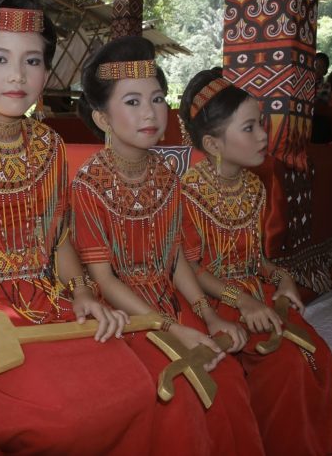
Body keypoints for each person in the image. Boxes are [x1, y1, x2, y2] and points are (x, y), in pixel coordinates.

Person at [0, 0, 156, 454]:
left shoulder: (51, 147)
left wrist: (83, 293)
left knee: (134, 387)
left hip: (49, 306)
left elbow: (60, 242)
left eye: (33, 61)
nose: (17, 76)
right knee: (59, 418)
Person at [71, 36, 263, 456]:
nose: (151, 113)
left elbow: (177, 262)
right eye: (133, 102)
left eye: (157, 99)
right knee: (180, 396)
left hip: (170, 305)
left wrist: (209, 317)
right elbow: (102, 279)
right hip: (124, 320)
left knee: (228, 383)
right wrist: (172, 328)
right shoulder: (88, 184)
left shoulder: (167, 175)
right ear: (103, 118)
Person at [179, 69, 332, 456]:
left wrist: (282, 277)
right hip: (211, 301)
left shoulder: (254, 185)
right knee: (285, 366)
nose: (264, 135)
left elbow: (256, 258)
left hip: (256, 294)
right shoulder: (187, 191)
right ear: (213, 143)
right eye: (249, 128)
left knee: (317, 356)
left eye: (260, 124)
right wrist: (243, 301)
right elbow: (193, 269)